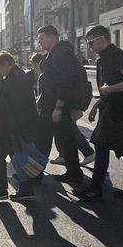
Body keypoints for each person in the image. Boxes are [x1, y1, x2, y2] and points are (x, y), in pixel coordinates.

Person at [76, 25, 123, 202]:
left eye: (91, 42)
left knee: (109, 148)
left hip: (120, 111)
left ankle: (97, 188)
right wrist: (96, 105)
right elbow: (107, 87)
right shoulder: (105, 58)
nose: (90, 46)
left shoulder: (116, 56)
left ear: (101, 39)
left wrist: (109, 90)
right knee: (117, 149)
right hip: (112, 110)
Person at [34, 24, 86, 186]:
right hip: (52, 104)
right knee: (65, 139)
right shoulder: (55, 53)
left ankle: (35, 174)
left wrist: (58, 107)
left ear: (52, 37)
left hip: (56, 106)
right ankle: (74, 173)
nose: (39, 42)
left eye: (42, 38)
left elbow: (66, 82)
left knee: (45, 139)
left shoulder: (62, 53)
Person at [0, 50, 37, 203]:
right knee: (17, 158)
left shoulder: (15, 79)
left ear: (7, 64)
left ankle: (0, 191)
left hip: (11, 128)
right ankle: (25, 190)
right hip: (13, 127)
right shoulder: (15, 76)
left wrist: (13, 130)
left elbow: (16, 107)